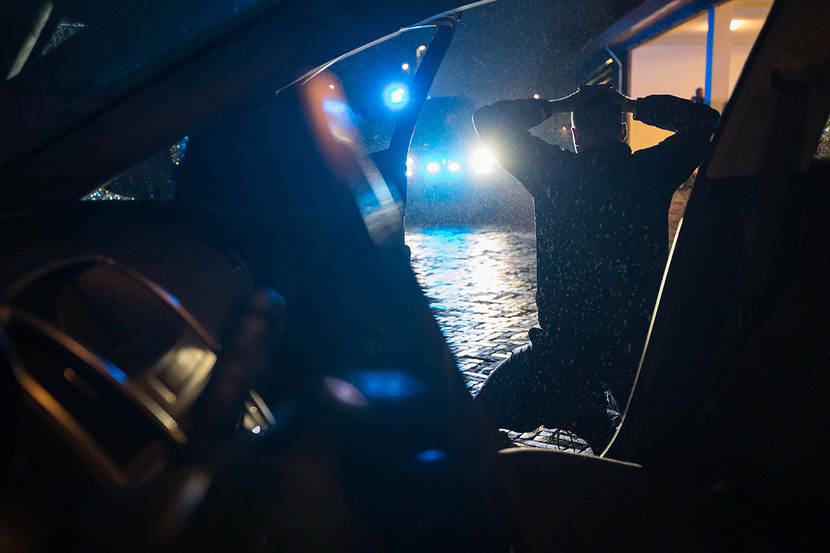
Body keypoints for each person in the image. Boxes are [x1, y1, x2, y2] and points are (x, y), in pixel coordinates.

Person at [472, 84, 719, 452]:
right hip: (634, 346)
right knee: (655, 447)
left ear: (576, 136)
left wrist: (556, 105)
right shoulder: (651, 171)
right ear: (623, 131)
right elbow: (705, 121)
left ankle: (528, 471)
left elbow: (487, 121)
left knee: (475, 424)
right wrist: (635, 104)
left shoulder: (553, 172)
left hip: (562, 349)